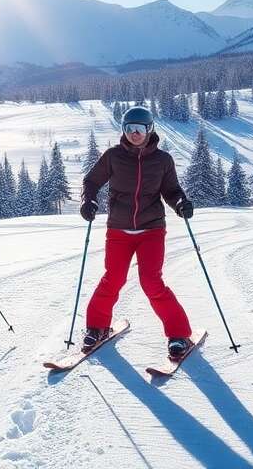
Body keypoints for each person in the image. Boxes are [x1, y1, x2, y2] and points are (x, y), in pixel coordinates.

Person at [79, 105, 196, 357]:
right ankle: (96, 327)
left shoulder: (163, 160)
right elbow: (92, 181)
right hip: (119, 230)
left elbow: (171, 191)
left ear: (149, 129)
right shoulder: (113, 156)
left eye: (140, 129)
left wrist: (180, 203)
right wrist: (88, 201)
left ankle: (179, 334)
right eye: (130, 128)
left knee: (151, 282)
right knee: (113, 278)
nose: (135, 133)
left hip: (151, 229)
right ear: (124, 130)